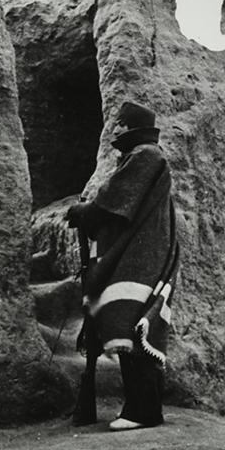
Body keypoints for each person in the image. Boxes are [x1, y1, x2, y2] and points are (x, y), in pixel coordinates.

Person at [65, 101, 179, 432]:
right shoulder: (143, 156)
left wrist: (85, 212)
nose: (114, 130)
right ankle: (143, 408)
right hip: (141, 252)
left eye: (120, 124)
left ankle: (143, 411)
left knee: (131, 322)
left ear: (133, 128)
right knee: (133, 323)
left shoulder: (146, 156)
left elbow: (115, 203)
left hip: (142, 256)